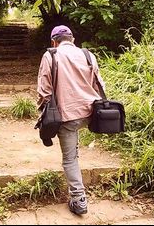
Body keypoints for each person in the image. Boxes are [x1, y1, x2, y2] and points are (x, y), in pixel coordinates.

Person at [36, 25, 105, 215]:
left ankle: (79, 200)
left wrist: (44, 114)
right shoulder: (87, 55)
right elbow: (99, 84)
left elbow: (44, 91)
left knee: (70, 159)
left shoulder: (50, 55)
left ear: (54, 41)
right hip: (90, 113)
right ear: (72, 39)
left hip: (67, 116)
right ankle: (77, 193)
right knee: (73, 147)